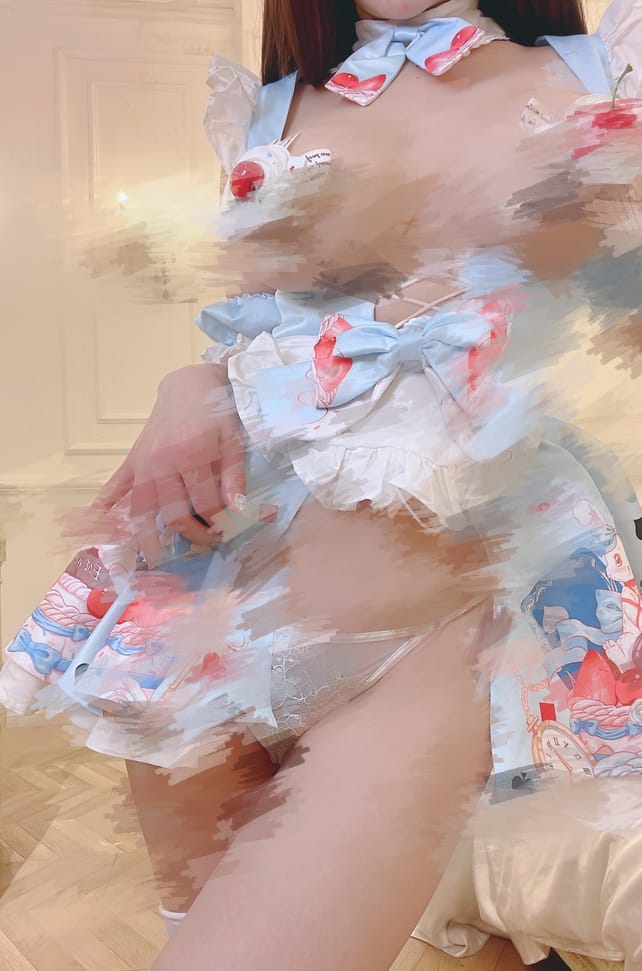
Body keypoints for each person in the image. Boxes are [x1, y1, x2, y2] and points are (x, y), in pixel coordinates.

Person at [1, 2, 641, 968]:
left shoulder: (603, 72)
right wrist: (191, 383)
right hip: (211, 584)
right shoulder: (270, 111)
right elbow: (257, 328)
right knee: (197, 926)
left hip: (447, 591)